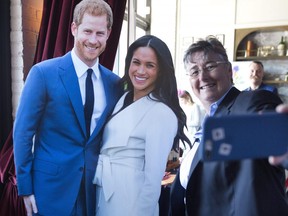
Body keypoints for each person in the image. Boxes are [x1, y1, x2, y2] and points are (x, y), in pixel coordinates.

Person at [13, 0, 123, 215]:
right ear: (74, 28)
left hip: (96, 192)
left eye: (100, 33)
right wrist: (25, 189)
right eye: (87, 31)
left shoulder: (115, 84)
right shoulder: (43, 73)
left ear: (109, 33)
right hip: (50, 191)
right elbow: (23, 132)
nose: (93, 40)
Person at [170, 36, 288, 216]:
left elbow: (274, 132)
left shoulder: (250, 102)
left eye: (210, 66)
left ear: (229, 70)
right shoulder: (206, 123)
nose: (202, 76)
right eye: (194, 71)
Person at [93, 35, 190, 216]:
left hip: (132, 201)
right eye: (136, 62)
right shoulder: (123, 98)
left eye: (150, 65)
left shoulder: (162, 112)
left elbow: (153, 181)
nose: (140, 70)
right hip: (104, 190)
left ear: (160, 71)